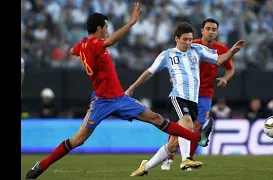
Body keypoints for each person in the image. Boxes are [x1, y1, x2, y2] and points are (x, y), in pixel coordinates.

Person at [25, 3, 213, 180]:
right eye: (106, 27)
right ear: (99, 29)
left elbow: (73, 51)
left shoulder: (82, 46)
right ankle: (41, 166)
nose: (107, 30)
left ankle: (197, 137)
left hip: (121, 99)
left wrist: (77, 53)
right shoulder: (94, 45)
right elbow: (110, 41)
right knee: (78, 140)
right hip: (101, 101)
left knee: (156, 118)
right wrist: (131, 22)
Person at [126, 22, 245, 176]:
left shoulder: (197, 49)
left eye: (190, 39)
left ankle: (146, 166)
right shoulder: (167, 55)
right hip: (177, 98)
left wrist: (232, 51)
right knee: (187, 123)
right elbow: (149, 72)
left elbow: (218, 60)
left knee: (174, 144)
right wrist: (131, 88)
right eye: (185, 39)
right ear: (176, 39)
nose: (188, 43)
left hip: (193, 101)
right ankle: (186, 159)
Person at [161, 18, 235, 171]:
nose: (211, 32)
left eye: (214, 29)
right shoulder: (191, 44)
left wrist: (225, 79)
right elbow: (174, 58)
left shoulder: (221, 49)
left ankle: (188, 159)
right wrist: (174, 75)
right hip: (186, 92)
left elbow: (230, 68)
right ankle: (169, 158)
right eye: (208, 29)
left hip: (206, 94)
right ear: (202, 30)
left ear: (217, 32)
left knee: (196, 126)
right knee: (178, 126)